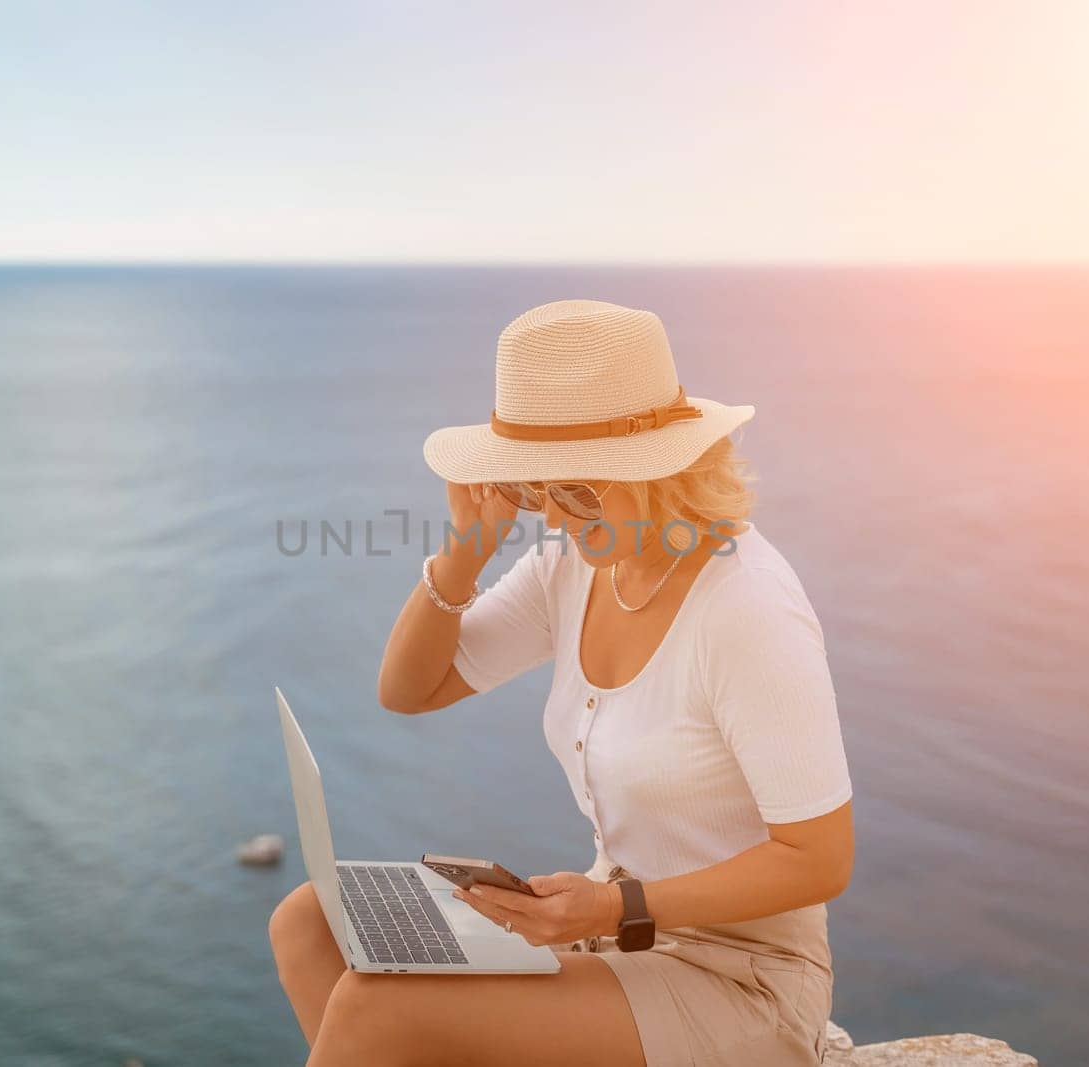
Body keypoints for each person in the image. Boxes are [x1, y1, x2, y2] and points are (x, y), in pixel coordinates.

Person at [269, 299, 854, 1066]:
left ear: (657, 472)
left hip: (738, 979)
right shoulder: (579, 563)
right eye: (537, 487)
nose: (553, 513)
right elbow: (412, 687)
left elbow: (820, 857)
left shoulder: (746, 608)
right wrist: (464, 553)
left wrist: (615, 905)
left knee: (381, 1005)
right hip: (620, 930)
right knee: (311, 920)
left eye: (577, 491)